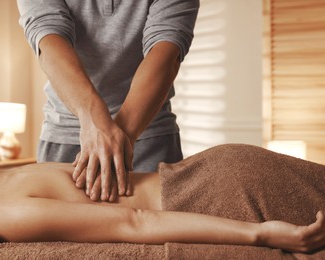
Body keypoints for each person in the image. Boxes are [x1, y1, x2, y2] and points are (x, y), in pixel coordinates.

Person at [0, 98, 325, 253]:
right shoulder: (15, 176)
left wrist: (259, 234)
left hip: (216, 194)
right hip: (218, 169)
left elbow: (134, 221)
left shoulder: (4, 213)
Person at [16, 0, 199, 201]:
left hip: (150, 138)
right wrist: (93, 121)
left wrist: (118, 143)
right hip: (65, 138)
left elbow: (166, 51)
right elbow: (48, 39)